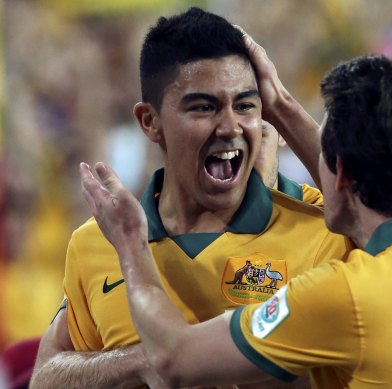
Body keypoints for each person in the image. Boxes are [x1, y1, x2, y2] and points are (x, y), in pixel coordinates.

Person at [78, 31, 392, 388]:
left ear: (339, 176)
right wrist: (276, 104)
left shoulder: (347, 294)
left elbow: (173, 360)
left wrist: (131, 246)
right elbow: (365, 207)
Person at [30, 7, 351, 389]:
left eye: (246, 105)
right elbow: (46, 378)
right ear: (150, 121)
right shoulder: (98, 241)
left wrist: (281, 103)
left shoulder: (320, 232)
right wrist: (138, 361)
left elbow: (386, 222)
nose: (231, 126)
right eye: (204, 107)